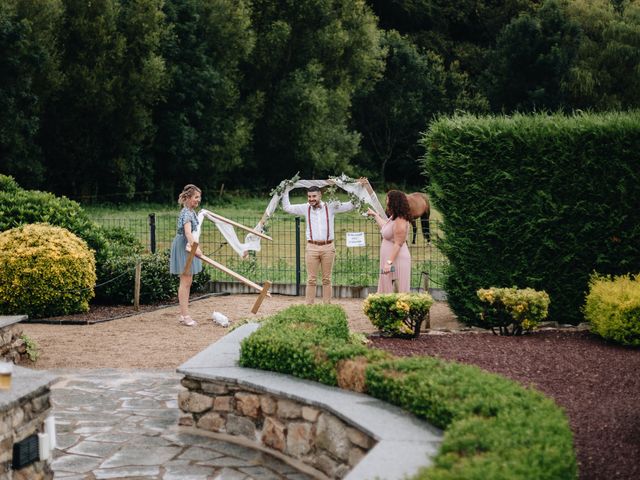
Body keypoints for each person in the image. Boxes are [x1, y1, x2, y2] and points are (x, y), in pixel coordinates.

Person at [282, 185, 355, 304]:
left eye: (314, 196)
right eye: (309, 196)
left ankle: (327, 306)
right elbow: (287, 207)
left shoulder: (331, 206)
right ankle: (309, 306)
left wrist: (351, 188)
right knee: (311, 279)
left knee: (327, 279)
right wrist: (285, 191)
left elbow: (351, 205)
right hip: (311, 247)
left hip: (328, 247)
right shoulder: (305, 208)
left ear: (320, 195)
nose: (311, 199)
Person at [170, 184, 203, 326]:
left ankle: (184, 314)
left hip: (187, 245)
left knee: (187, 281)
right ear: (188, 197)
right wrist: (196, 249)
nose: (198, 200)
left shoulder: (190, 211)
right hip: (185, 246)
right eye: (196, 197)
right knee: (185, 281)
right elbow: (188, 233)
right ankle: (185, 316)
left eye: (199, 197)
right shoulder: (187, 213)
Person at [367, 190, 411, 293]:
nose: (386, 201)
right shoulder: (393, 217)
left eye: (387, 198)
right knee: (387, 289)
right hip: (390, 260)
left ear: (394, 201)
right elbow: (385, 227)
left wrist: (389, 262)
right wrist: (375, 215)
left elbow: (398, 244)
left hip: (397, 260)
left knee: (396, 290)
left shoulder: (400, 220)